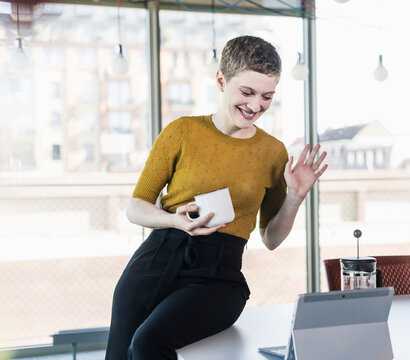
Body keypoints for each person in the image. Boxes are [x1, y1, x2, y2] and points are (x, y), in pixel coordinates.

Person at [105, 35, 327, 360]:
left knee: (148, 343)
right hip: (157, 258)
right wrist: (173, 220)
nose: (255, 106)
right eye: (247, 92)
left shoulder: (272, 152)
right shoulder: (181, 132)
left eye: (267, 96)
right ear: (222, 80)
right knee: (120, 353)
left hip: (219, 277)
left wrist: (295, 196)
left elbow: (271, 238)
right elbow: (135, 207)